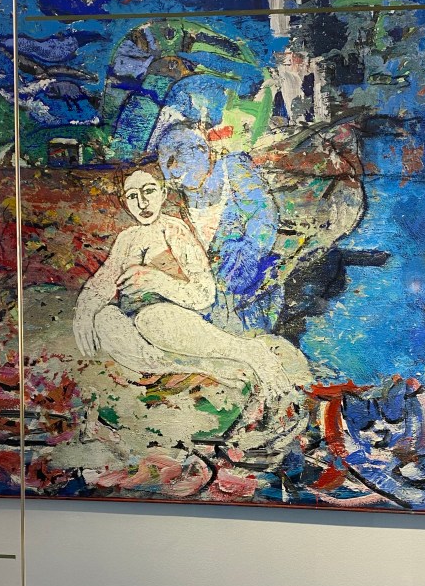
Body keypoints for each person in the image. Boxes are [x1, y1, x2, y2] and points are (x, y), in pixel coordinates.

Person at [73, 170, 294, 402]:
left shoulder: (173, 230)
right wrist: (84, 312)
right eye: (132, 196)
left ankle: (249, 352)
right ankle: (201, 368)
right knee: (104, 318)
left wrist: (156, 280)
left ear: (163, 193)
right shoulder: (126, 238)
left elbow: (204, 294)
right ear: (124, 201)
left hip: (174, 321)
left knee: (150, 319)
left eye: (149, 191)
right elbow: (103, 281)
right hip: (138, 331)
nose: (142, 203)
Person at [155, 124, 283, 333]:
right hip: (208, 298)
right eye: (166, 163)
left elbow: (264, 215)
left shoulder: (232, 168)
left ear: (202, 150)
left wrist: (247, 255)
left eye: (176, 158)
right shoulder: (176, 198)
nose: (173, 171)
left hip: (251, 288)